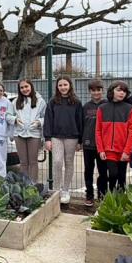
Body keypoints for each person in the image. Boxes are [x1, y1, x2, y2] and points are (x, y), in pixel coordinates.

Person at [43, 76, 85, 204]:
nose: (63, 87)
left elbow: (80, 121)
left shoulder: (77, 102)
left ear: (70, 85)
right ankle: (56, 190)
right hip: (56, 136)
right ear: (57, 87)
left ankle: (66, 190)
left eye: (65, 85)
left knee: (69, 162)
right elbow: (48, 120)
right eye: (60, 85)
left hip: (72, 137)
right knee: (57, 161)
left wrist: (80, 141)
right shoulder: (53, 102)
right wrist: (47, 138)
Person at [96, 80, 132, 193]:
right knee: (113, 174)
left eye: (124, 91)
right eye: (119, 90)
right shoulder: (102, 108)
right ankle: (111, 197)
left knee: (122, 177)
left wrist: (127, 151)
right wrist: (101, 149)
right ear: (111, 91)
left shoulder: (130, 108)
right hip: (108, 150)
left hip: (124, 150)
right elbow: (98, 130)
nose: (122, 93)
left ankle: (121, 199)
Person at [81, 79, 108, 208]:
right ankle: (89, 195)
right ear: (89, 92)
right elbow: (81, 125)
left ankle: (102, 195)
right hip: (88, 144)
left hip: (103, 146)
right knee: (88, 171)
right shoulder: (86, 107)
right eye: (93, 90)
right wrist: (80, 141)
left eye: (98, 90)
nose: (96, 92)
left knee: (103, 172)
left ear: (103, 90)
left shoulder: (107, 105)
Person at [13, 79, 46, 182]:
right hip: (19, 134)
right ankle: (24, 185)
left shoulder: (40, 101)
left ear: (31, 86)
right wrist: (15, 120)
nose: (24, 89)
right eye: (22, 87)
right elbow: (8, 115)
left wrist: (39, 122)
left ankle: (33, 185)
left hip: (34, 134)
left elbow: (45, 117)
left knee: (33, 162)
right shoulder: (15, 101)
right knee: (23, 162)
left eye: (26, 86)